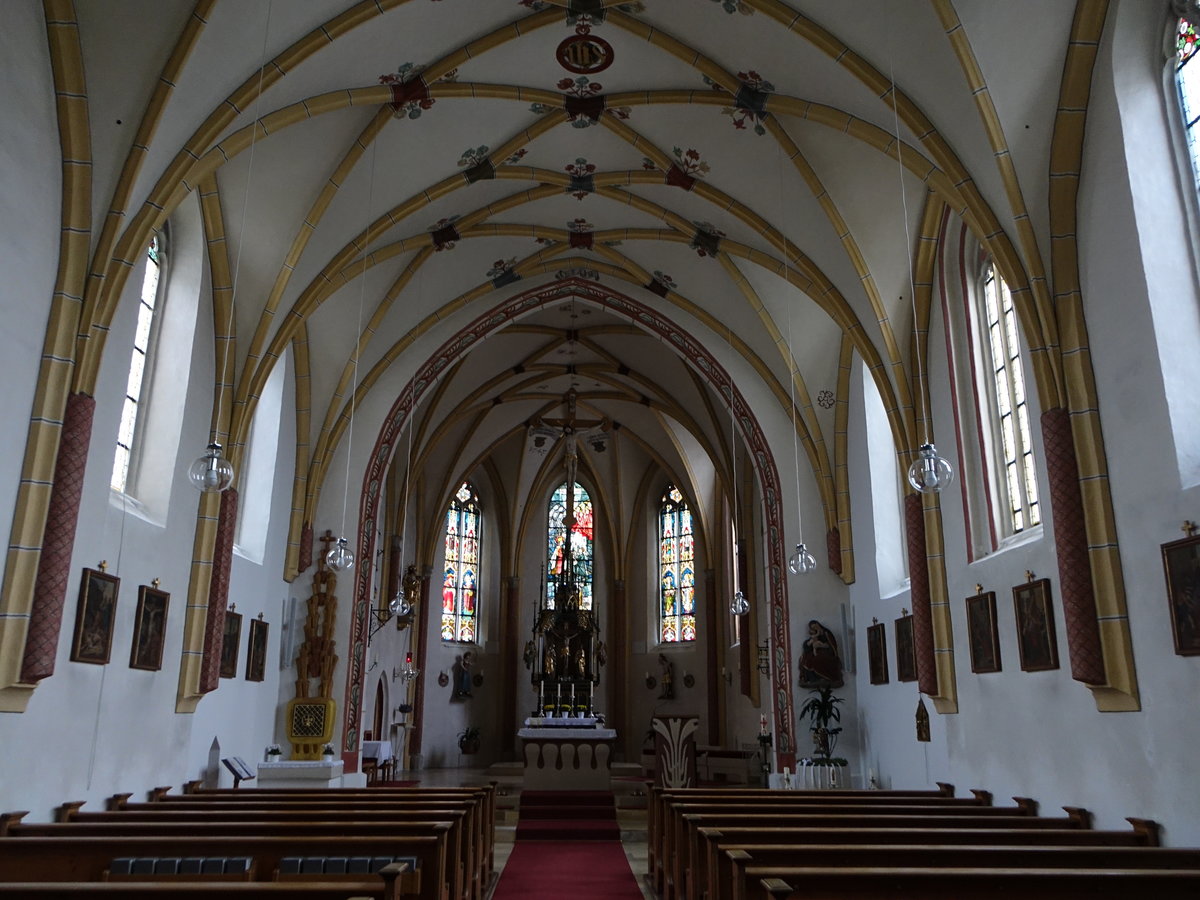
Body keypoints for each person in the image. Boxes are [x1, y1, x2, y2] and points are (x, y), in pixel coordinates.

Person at [798, 619, 844, 688]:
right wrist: (808, 644)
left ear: (818, 624)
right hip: (818, 650)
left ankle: (828, 677)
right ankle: (812, 678)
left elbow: (832, 645)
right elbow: (810, 642)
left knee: (818, 659)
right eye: (813, 628)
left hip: (827, 652)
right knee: (806, 658)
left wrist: (822, 645)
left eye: (815, 626)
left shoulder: (826, 633)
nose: (815, 628)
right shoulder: (815, 634)